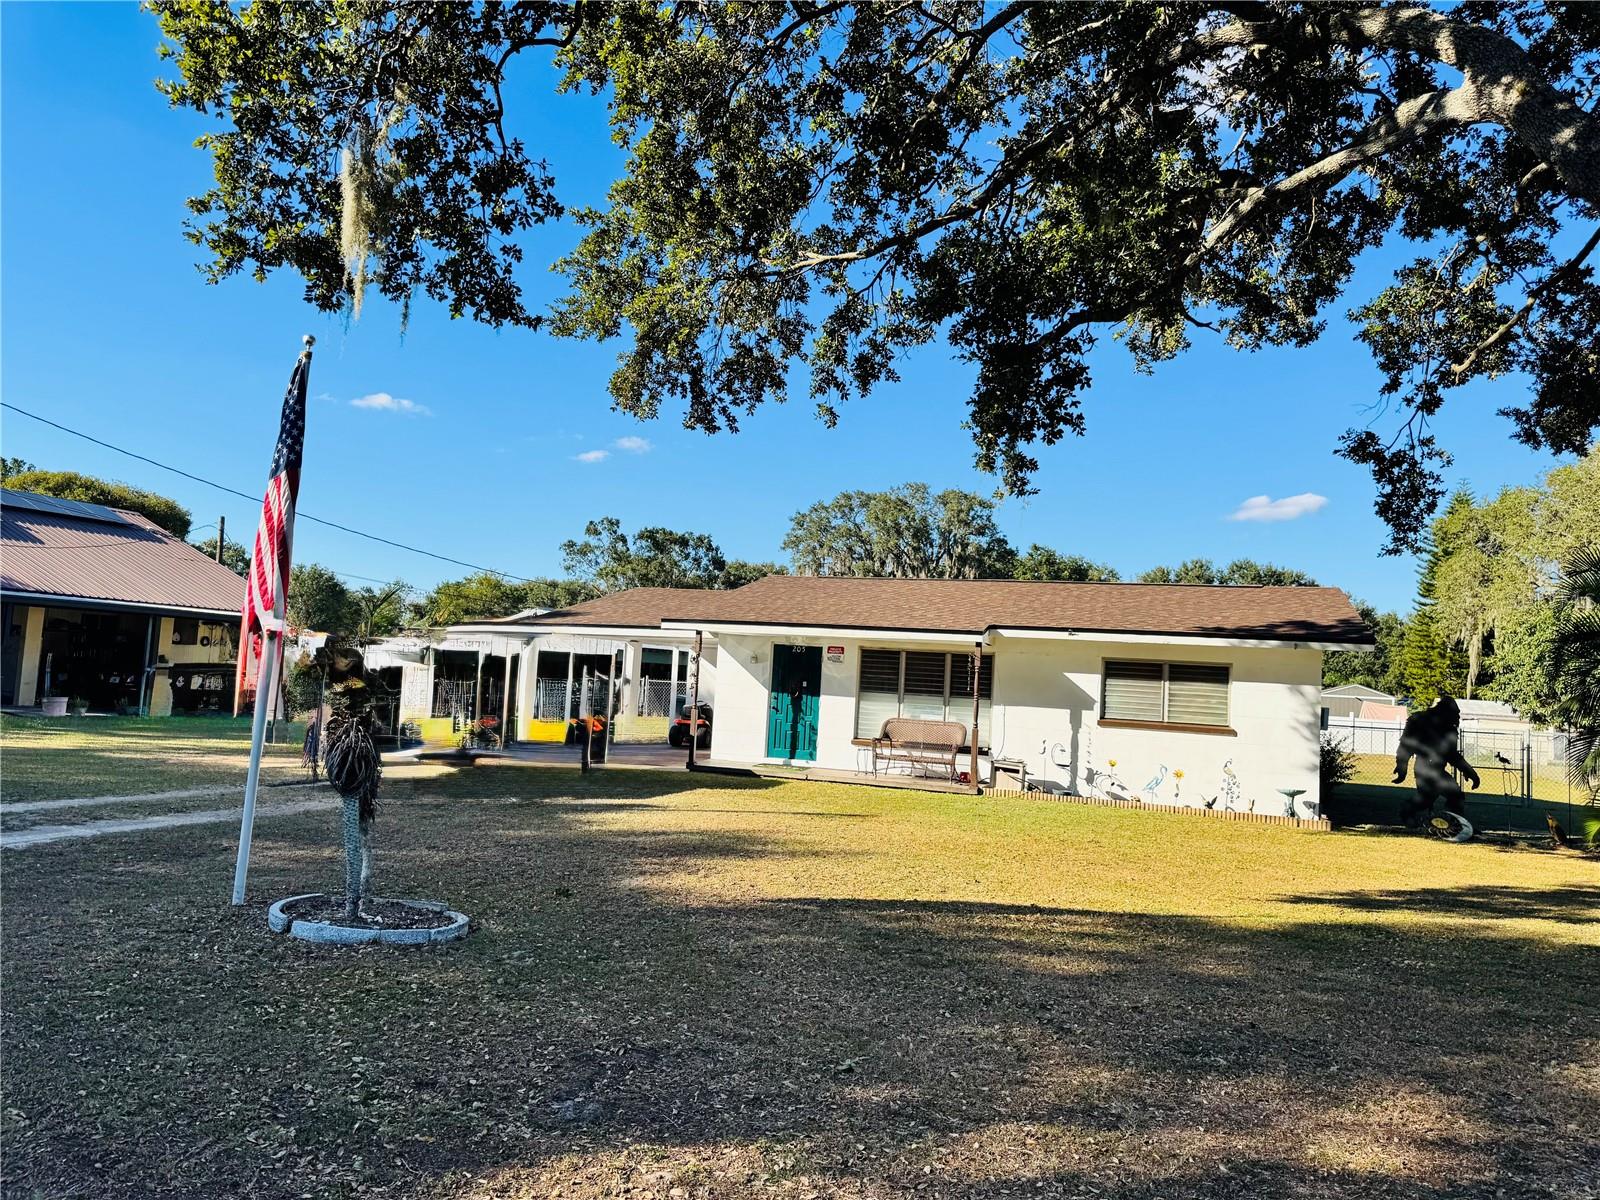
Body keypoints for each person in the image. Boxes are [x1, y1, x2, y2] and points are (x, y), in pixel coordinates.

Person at [1393, 696, 1480, 828]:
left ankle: (1450, 824)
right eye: (1456, 714)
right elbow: (1406, 745)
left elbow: (1452, 755)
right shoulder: (1426, 722)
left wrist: (1470, 772)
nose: (1458, 718)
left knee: (1441, 798)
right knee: (1444, 797)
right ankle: (1411, 813)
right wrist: (1401, 767)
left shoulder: (1435, 723)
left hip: (1432, 767)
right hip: (1426, 767)